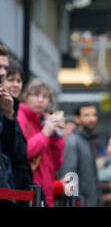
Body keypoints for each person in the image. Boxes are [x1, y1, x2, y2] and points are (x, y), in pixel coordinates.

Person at [17, 78, 65, 207]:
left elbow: (56, 164)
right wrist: (45, 132)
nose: (40, 100)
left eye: (45, 96)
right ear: (25, 96)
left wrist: (56, 136)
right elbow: (24, 151)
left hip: (45, 192)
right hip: (29, 192)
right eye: (36, 94)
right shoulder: (20, 116)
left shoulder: (43, 120)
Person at [59, 103, 103, 207]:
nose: (92, 119)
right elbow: (68, 180)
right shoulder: (72, 141)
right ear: (77, 119)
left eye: (94, 115)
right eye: (87, 115)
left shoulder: (88, 140)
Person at [3, 58, 33, 206]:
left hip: (19, 186)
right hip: (10, 186)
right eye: (11, 79)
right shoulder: (9, 110)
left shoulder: (14, 109)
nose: (16, 84)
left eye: (19, 81)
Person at [0, 45, 16, 205]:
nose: (3, 72)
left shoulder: (3, 102)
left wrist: (9, 114)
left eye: (5, 67)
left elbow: (9, 149)